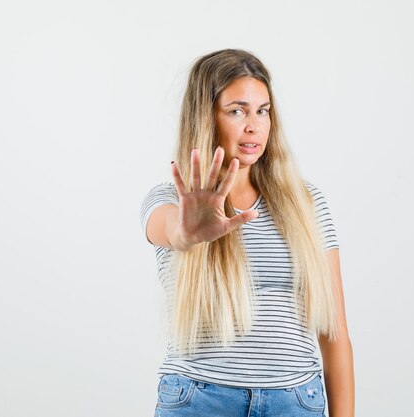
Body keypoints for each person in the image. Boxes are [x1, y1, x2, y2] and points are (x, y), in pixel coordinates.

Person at [140, 48, 354, 417]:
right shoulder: (169, 200)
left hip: (296, 402)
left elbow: (334, 333)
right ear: (207, 117)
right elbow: (173, 231)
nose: (253, 125)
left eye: (263, 110)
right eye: (236, 110)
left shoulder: (307, 203)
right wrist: (189, 234)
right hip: (200, 399)